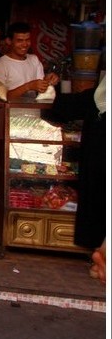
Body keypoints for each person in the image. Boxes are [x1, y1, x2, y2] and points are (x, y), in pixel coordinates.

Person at [43, 73, 106, 253]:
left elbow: (74, 105)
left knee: (97, 194)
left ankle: (97, 249)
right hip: (98, 157)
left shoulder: (99, 100)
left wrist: (53, 95)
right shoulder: (97, 99)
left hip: (98, 157)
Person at [0, 21, 59, 99]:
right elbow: (1, 97)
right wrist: (28, 86)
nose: (25, 44)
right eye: (19, 41)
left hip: (33, 110)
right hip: (10, 111)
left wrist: (48, 81)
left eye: (27, 40)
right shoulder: (1, 64)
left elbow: (41, 89)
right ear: (9, 41)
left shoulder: (34, 59)